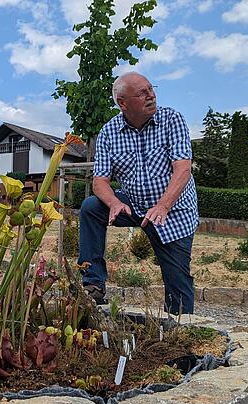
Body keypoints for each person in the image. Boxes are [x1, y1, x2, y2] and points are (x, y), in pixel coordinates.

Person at [78, 72, 198, 314]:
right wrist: (113, 202)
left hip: (172, 212)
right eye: (142, 93)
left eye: (151, 89)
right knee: (91, 207)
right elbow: (100, 181)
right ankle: (93, 283)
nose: (151, 95)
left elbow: (183, 169)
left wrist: (163, 206)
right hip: (132, 203)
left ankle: (180, 331)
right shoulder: (109, 132)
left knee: (178, 285)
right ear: (123, 103)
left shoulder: (171, 119)